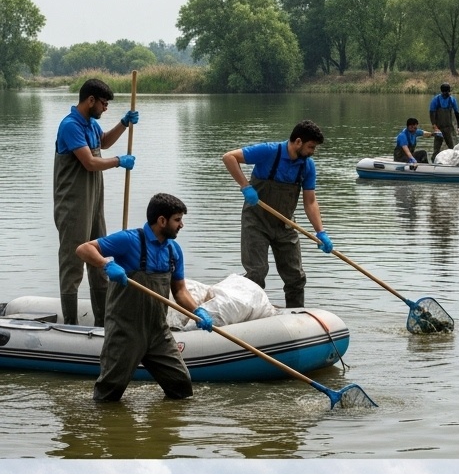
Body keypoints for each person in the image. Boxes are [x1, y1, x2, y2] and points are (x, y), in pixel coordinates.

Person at [76, 193, 213, 403]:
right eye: (177, 220)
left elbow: (180, 291)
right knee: (109, 392)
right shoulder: (129, 240)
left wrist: (197, 311)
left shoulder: (174, 250)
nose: (181, 225)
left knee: (181, 385)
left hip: (158, 331)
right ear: (162, 220)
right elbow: (84, 249)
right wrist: (107, 264)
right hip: (125, 331)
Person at [222, 120, 333, 308]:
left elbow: (310, 202)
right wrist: (245, 186)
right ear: (298, 142)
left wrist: (320, 232)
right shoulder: (269, 151)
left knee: (296, 277)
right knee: (257, 273)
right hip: (256, 222)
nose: (313, 151)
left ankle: (296, 315)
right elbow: (229, 157)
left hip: (285, 225)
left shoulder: (307, 166)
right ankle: (251, 313)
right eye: (311, 147)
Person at [53, 77, 137, 327]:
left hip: (93, 204)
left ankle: (103, 321)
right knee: (72, 263)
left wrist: (123, 124)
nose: (105, 108)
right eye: (103, 103)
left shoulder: (90, 124)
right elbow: (89, 163)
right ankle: (70, 323)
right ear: (90, 100)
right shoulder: (70, 126)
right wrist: (118, 161)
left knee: (99, 257)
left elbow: (104, 142)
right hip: (72, 206)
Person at [429, 83, 459, 161]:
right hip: (438, 127)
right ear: (442, 92)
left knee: (451, 146)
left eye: (447, 92)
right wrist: (434, 125)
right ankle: (433, 160)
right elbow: (432, 113)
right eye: (445, 92)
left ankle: (453, 160)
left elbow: (456, 112)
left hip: (448, 127)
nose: (446, 93)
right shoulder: (436, 100)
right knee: (437, 147)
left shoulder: (452, 100)